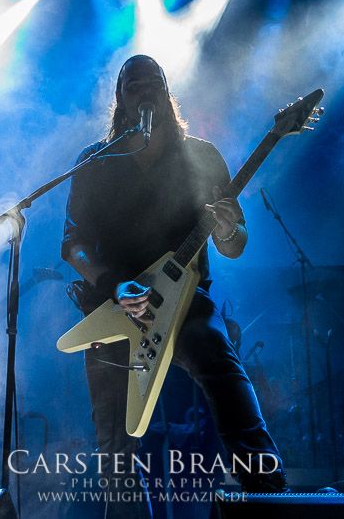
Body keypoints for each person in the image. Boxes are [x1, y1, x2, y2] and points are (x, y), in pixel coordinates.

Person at [61, 54, 287, 518]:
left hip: (187, 304)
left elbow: (235, 245)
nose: (145, 91)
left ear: (168, 93)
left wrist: (228, 229)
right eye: (133, 85)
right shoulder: (96, 162)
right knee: (115, 443)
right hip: (114, 308)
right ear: (120, 99)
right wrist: (113, 285)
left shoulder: (201, 156)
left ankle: (269, 495)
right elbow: (73, 246)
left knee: (227, 379)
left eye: (154, 83)